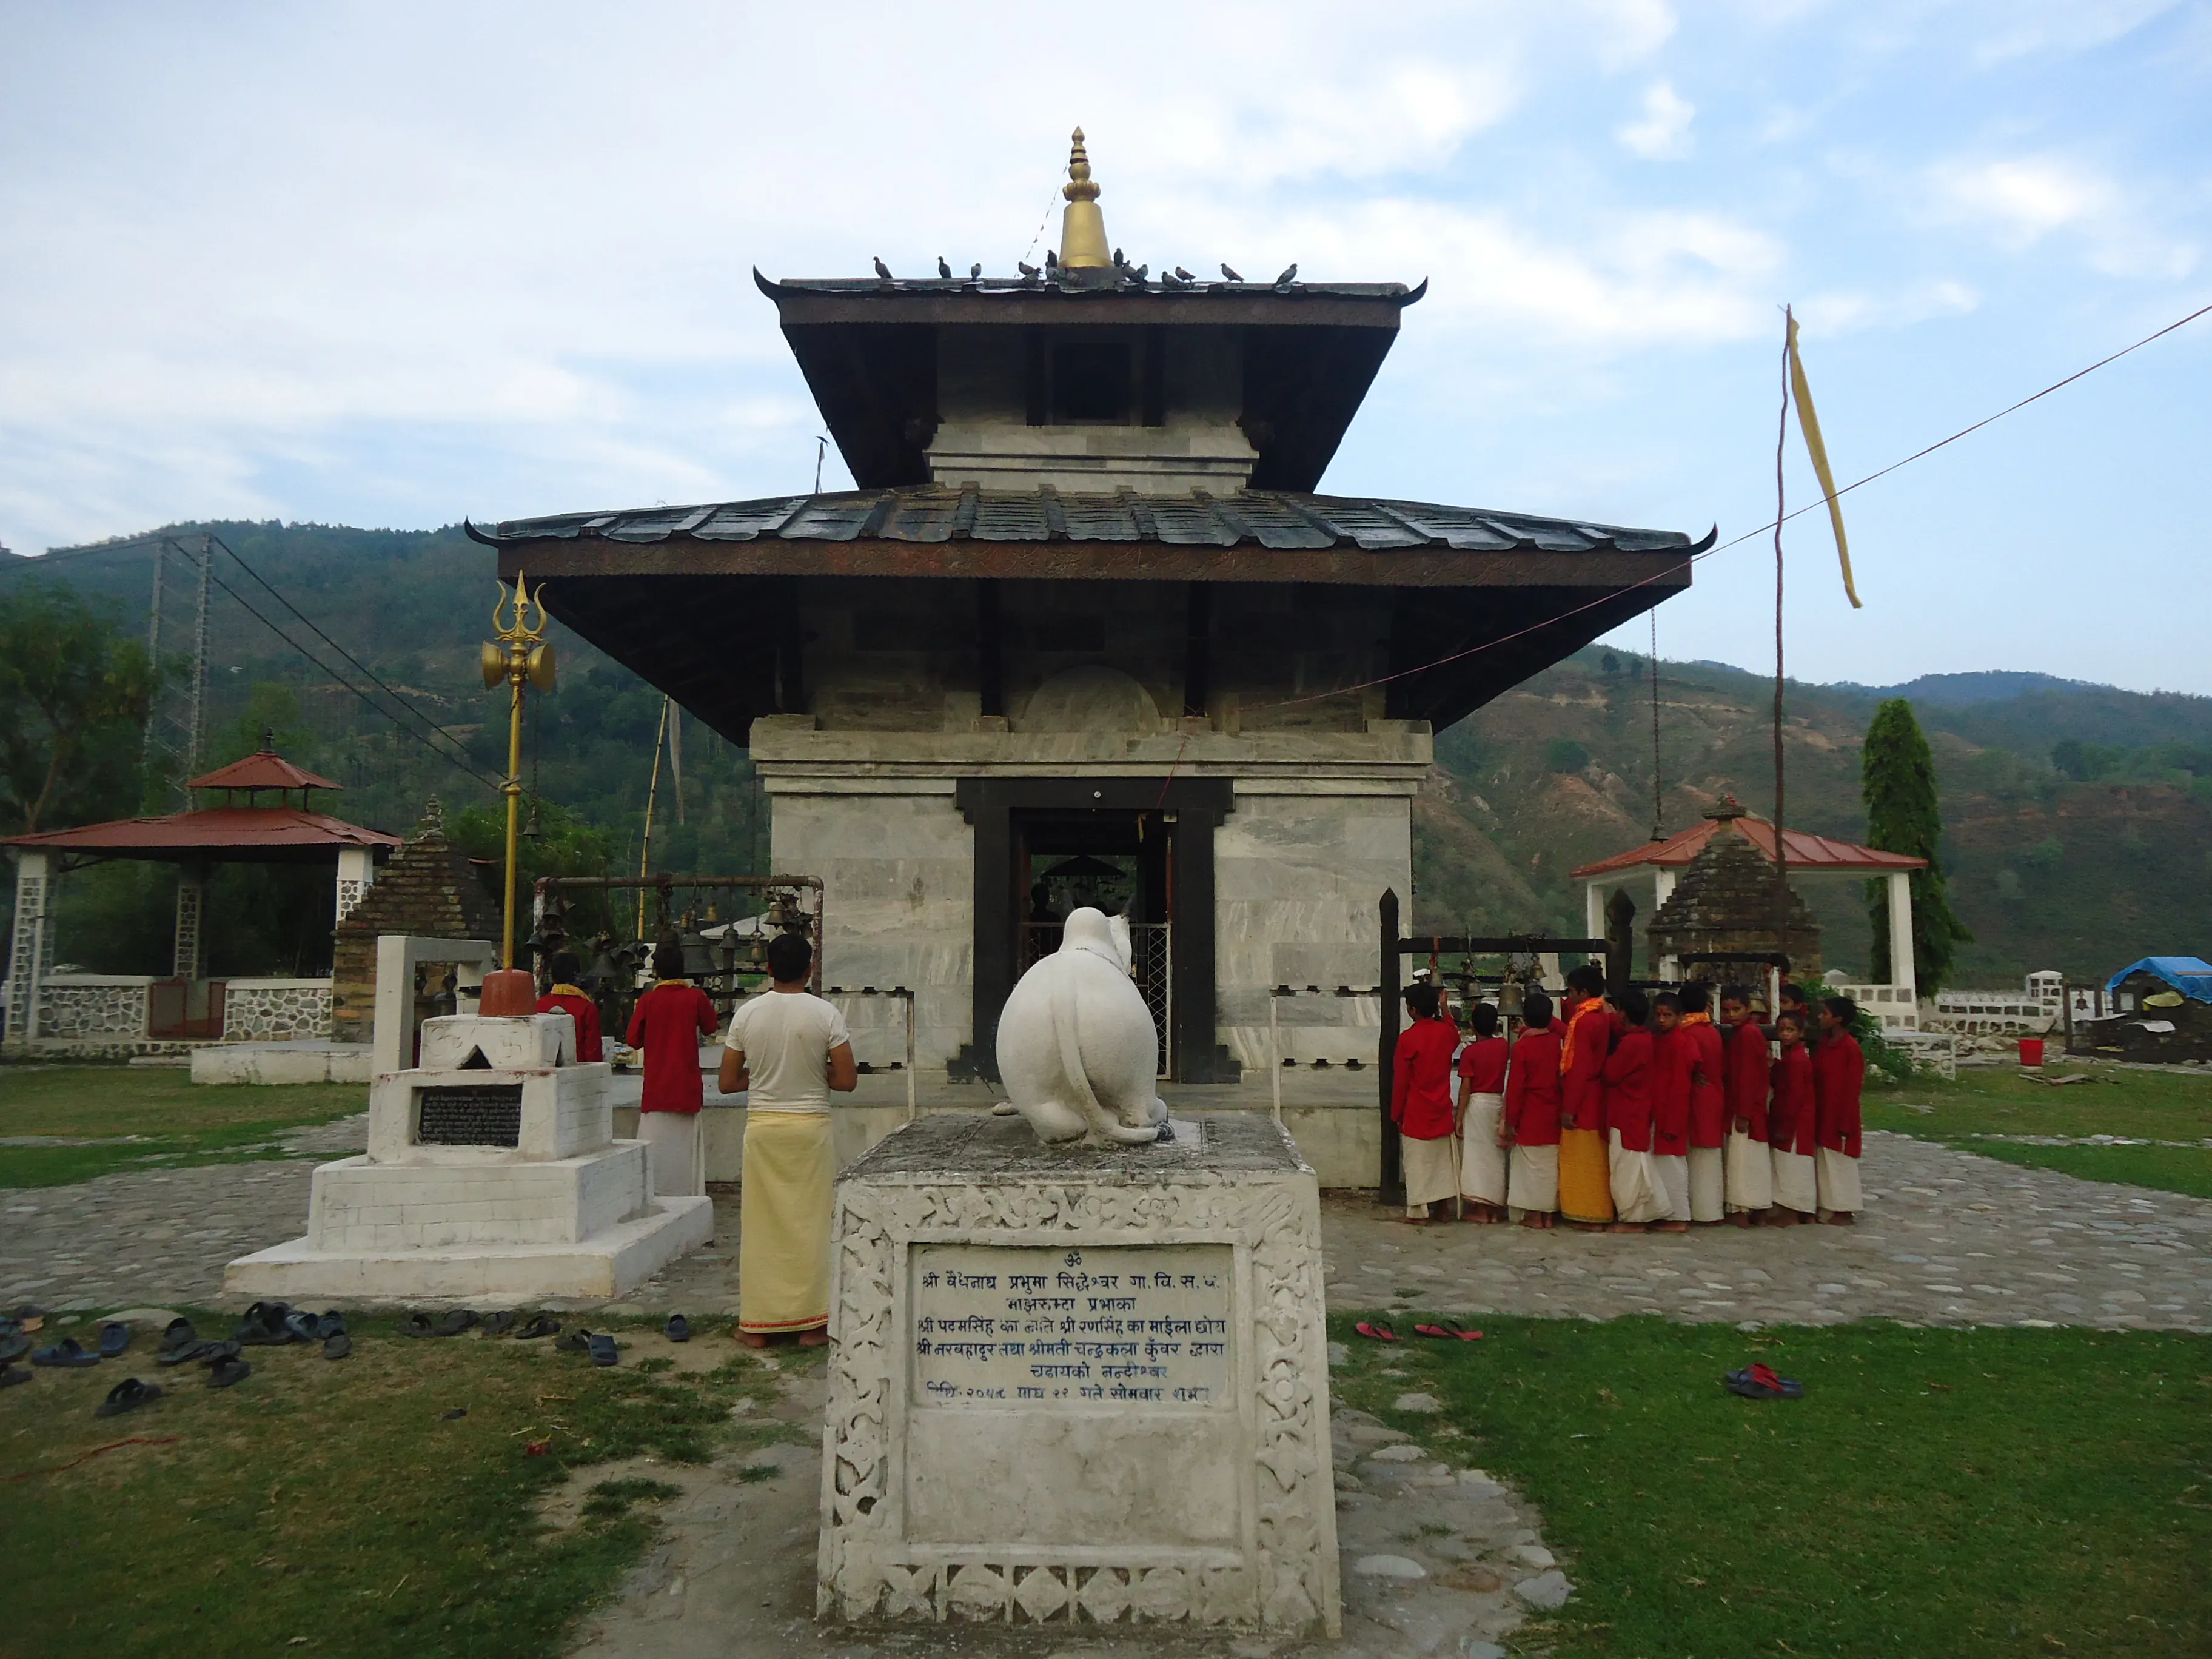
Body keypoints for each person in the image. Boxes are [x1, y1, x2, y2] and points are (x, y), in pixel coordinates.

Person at [719, 932, 856, 1347]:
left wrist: (759, 1077)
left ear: (769, 969)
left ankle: (757, 1325)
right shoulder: (826, 1014)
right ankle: (812, 1325)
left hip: (763, 1128)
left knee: (761, 1229)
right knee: (812, 1227)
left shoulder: (747, 1015)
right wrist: (817, 1075)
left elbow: (727, 1082)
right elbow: (847, 1080)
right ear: (810, 970)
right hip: (810, 1129)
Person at [624, 939, 719, 1198]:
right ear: (683, 969)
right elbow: (711, 1027)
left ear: (657, 972)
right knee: (686, 1159)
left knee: (655, 1156)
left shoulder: (648, 1001)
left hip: (656, 1089)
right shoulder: (696, 998)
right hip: (686, 1089)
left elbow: (633, 1040)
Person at [1390, 983, 1460, 1224]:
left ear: (1412, 1010)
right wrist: (1446, 1009)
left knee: (1417, 1163)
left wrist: (1396, 1113)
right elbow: (1454, 1033)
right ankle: (1442, 1209)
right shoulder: (1446, 1033)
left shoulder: (1408, 1039)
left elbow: (1401, 1081)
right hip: (1441, 1107)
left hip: (1417, 1110)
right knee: (1442, 1162)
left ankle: (1419, 1211)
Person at [1556, 964, 1617, 1230]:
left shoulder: (1585, 1021)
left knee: (1583, 1160)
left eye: (1571, 992)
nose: (1569, 997)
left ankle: (1587, 1213)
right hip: (1597, 1093)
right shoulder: (1602, 1016)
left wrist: (1570, 1107)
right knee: (1596, 1158)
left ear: (1582, 992)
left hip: (1584, 1097)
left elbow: (1579, 1067)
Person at [1602, 988, 1667, 1232]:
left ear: (1624, 1014)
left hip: (1627, 1112)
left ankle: (1633, 1219)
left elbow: (1610, 1073)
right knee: (1634, 1165)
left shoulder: (1632, 1043)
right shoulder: (1644, 1038)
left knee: (1627, 1168)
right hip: (1638, 1108)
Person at [1501, 991, 1562, 1228]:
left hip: (1530, 1114)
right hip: (1553, 1110)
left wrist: (1510, 1121)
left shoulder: (1523, 1047)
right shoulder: (1557, 1042)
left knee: (1531, 1165)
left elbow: (1516, 1088)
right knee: (1548, 1165)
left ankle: (1535, 1215)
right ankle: (1548, 1213)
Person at [1718, 984, 1773, 1226]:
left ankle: (1742, 1209)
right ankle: (1757, 1209)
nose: (1731, 1015)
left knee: (1742, 1160)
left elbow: (1748, 1077)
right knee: (1750, 1159)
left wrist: (1743, 1113)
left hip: (1745, 1107)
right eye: (1727, 1010)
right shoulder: (1744, 1033)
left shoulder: (1749, 1035)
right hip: (1748, 1106)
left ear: (1749, 1009)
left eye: (1736, 1009)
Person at [1454, 1002, 1509, 1222]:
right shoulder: (1503, 1046)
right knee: (1495, 1156)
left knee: (1477, 1157)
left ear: (1472, 1026)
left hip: (1477, 1104)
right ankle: (1495, 1208)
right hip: (1497, 1102)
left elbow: (1466, 1088)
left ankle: (1481, 1209)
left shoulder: (1470, 1052)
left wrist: (1459, 1116)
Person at [1812, 994, 1865, 1224]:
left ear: (1838, 1018)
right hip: (1823, 1109)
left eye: (1825, 1013)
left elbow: (1852, 1089)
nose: (1820, 1017)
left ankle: (1845, 1208)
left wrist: (1845, 1122)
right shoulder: (1824, 1044)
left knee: (1840, 1162)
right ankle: (1828, 1204)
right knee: (1824, 1161)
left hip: (1840, 1113)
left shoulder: (1850, 1048)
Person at [1678, 982, 1729, 1224]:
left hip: (1695, 1097)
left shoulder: (1686, 1033)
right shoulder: (1712, 1031)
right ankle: (1711, 1210)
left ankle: (1699, 1210)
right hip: (1714, 1094)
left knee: (1696, 1156)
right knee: (1709, 1157)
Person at [1766, 1010, 1818, 1224]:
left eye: (1791, 1030)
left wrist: (1784, 1127)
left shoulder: (1797, 1060)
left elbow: (1794, 1097)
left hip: (1795, 1122)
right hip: (1796, 1120)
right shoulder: (1792, 1057)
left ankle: (1792, 1212)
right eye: (1782, 1030)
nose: (1785, 1034)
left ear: (1801, 1032)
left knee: (1792, 1165)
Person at [1647, 991, 1693, 1230]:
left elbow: (1682, 1086)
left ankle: (1678, 1218)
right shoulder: (1659, 1039)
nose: (1662, 1020)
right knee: (1662, 1164)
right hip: (1658, 1110)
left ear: (1680, 1017)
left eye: (1668, 1015)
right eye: (1659, 1015)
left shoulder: (1680, 1043)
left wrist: (1674, 1122)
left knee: (1673, 1165)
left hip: (1672, 1113)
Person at [535, 950, 603, 1063]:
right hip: (579, 1074)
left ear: (553, 977)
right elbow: (593, 1053)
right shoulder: (588, 1008)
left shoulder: (539, 1006)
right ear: (577, 976)